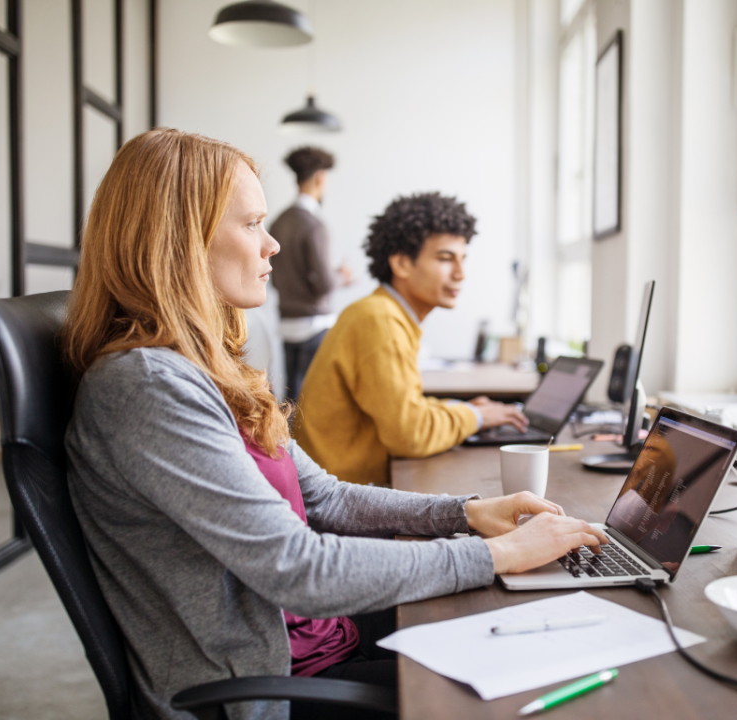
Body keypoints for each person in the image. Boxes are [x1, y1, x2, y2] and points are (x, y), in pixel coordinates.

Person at [61, 129, 607, 720]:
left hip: (312, 639)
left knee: (529, 627)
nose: (271, 245)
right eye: (251, 225)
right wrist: (498, 554)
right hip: (262, 687)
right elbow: (298, 568)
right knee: (528, 687)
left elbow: (322, 496)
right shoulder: (147, 385)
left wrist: (466, 514)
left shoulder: (205, 367)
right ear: (179, 241)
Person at [294, 193, 528, 487]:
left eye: (462, 259)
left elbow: (404, 408)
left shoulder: (381, 312)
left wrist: (463, 410)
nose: (461, 273)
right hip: (341, 498)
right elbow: (410, 435)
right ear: (402, 263)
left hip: (343, 487)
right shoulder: (380, 320)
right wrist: (474, 417)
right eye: (445, 258)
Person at [269, 146, 353, 401]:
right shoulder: (313, 224)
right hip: (315, 325)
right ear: (320, 178)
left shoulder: (278, 221)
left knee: (291, 399)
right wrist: (343, 276)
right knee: (314, 400)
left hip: (286, 322)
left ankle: (286, 442)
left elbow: (273, 277)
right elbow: (325, 284)